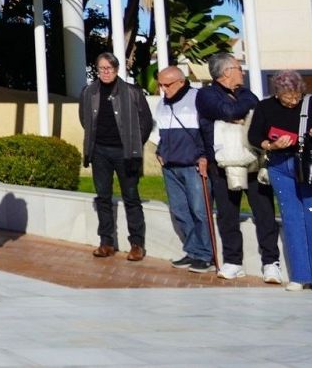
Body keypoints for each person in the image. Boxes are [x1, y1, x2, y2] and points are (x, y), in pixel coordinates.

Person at [196, 52, 281, 282]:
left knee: (264, 212)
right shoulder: (205, 95)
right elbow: (229, 112)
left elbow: (253, 106)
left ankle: (271, 262)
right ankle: (233, 261)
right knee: (227, 214)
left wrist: (239, 109)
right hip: (221, 165)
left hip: (253, 161)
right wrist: (238, 112)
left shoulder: (246, 93)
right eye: (237, 67)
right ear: (226, 72)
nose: (241, 71)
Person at [78, 52, 154, 263]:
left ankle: (137, 244)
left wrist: (134, 142)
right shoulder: (88, 92)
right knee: (102, 197)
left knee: (131, 197)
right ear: (97, 69)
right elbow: (85, 119)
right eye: (102, 68)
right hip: (99, 151)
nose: (106, 72)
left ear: (117, 70)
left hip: (125, 152)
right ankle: (106, 242)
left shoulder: (132, 92)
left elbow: (146, 122)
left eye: (109, 68)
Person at [249, 70, 312, 292]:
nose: (293, 100)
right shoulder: (265, 106)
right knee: (291, 219)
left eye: (297, 95)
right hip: (280, 165)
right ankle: (300, 276)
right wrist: (270, 145)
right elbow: (254, 135)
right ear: (277, 93)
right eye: (287, 96)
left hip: (309, 164)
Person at [153, 65, 213, 273]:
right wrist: (160, 151)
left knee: (199, 210)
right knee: (179, 210)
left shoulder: (199, 98)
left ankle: (206, 255)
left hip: (193, 165)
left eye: (167, 85)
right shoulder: (162, 103)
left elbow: (208, 130)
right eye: (160, 85)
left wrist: (204, 156)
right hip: (170, 166)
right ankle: (192, 251)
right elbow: (161, 131)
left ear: (181, 81)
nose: (163, 89)